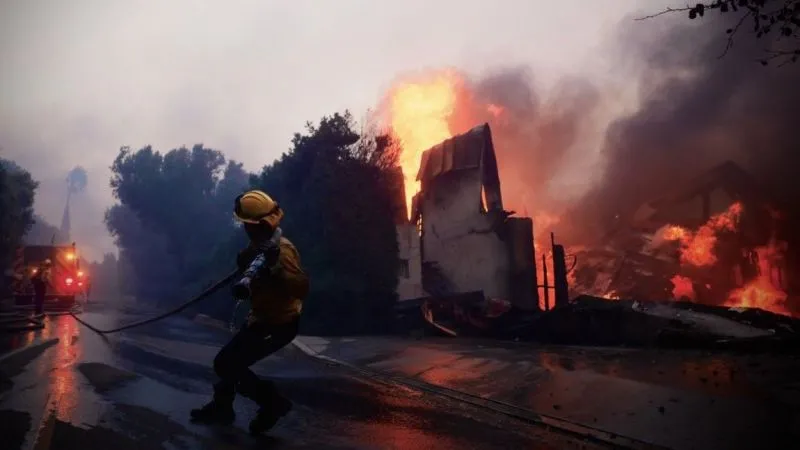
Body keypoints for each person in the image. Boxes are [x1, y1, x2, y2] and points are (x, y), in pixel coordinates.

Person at [191, 190, 309, 435]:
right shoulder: (259, 243)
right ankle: (222, 407)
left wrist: (275, 269)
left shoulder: (283, 252)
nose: (244, 228)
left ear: (259, 224)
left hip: (279, 324)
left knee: (226, 364)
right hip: (261, 319)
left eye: (246, 223)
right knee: (230, 360)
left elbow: (302, 288)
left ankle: (273, 404)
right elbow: (245, 263)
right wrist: (249, 260)